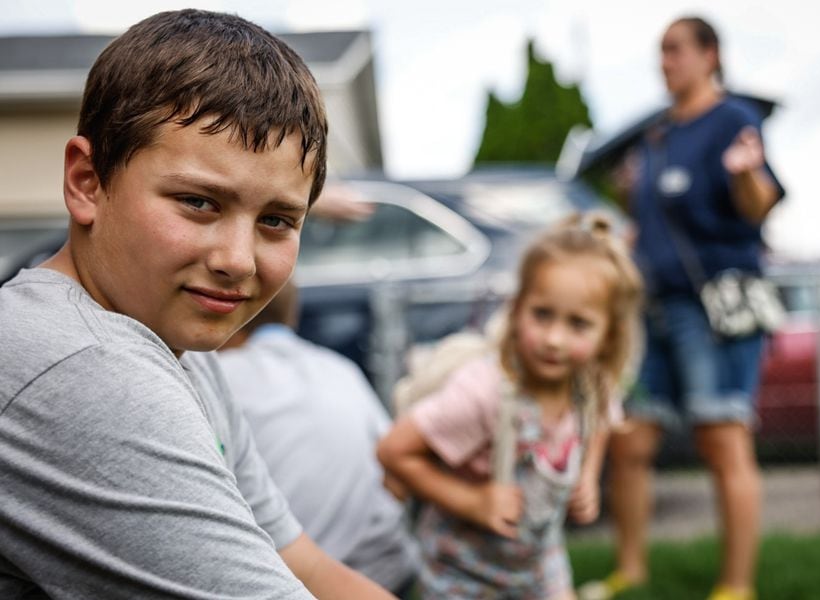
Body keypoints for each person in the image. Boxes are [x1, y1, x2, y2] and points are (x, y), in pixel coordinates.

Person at [0, 9, 393, 599]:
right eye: (199, 203)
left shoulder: (183, 356)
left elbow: (305, 567)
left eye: (277, 221)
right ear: (88, 182)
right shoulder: (84, 364)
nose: (239, 259)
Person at [580, 16, 784, 600]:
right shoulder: (658, 133)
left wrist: (746, 177)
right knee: (631, 441)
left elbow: (759, 206)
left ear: (709, 55)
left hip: (713, 307)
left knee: (722, 440)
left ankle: (735, 586)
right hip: (652, 308)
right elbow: (651, 217)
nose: (663, 62)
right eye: (660, 52)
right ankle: (631, 570)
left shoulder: (733, 121)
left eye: (674, 50)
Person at [377, 212, 644, 599]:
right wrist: (473, 500)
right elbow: (393, 451)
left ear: (608, 336)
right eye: (542, 314)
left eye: (578, 324)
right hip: (462, 574)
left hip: (539, 566)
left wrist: (587, 475)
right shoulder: (484, 391)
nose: (554, 339)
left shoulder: (593, 387)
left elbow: (601, 422)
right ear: (517, 309)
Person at [217, 282, 421, 597]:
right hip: (390, 570)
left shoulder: (220, 377)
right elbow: (393, 478)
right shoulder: (340, 368)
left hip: (298, 580)